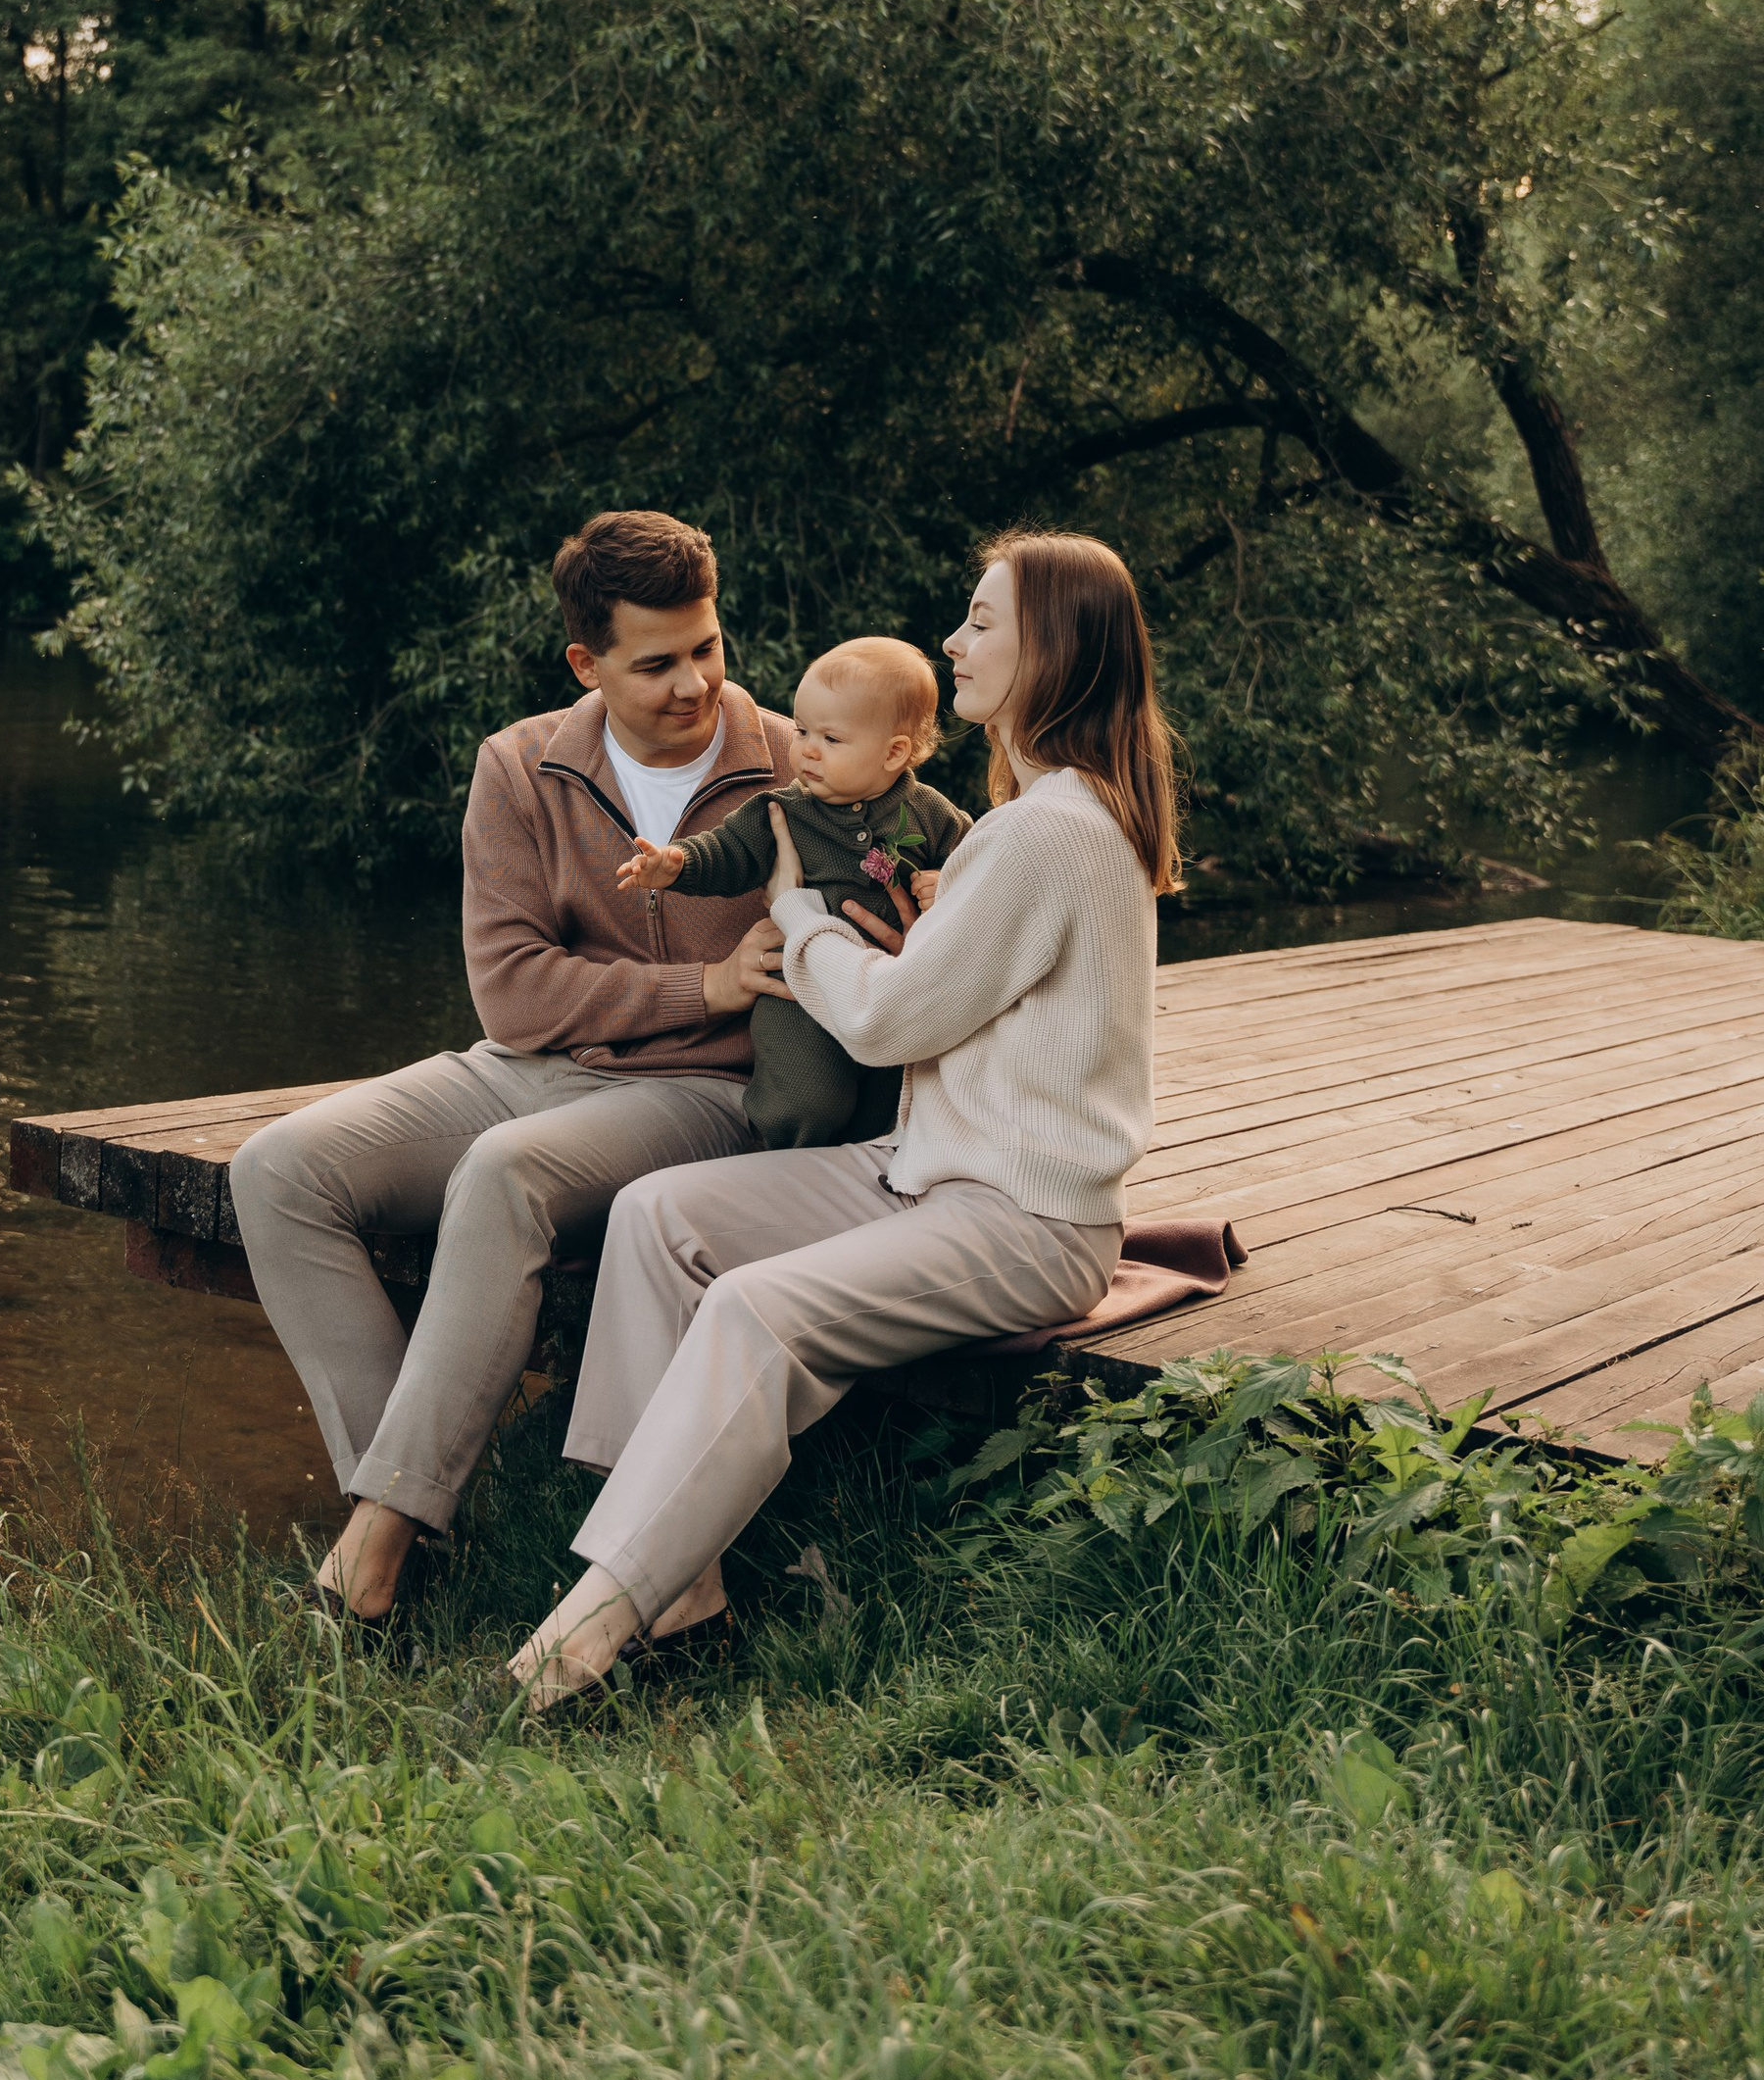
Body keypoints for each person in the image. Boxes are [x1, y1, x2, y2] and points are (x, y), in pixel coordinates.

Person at [510, 529, 1179, 1713]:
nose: (952, 642)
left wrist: (792, 909)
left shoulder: (1050, 832)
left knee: (755, 1307)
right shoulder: (1023, 822)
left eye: (980, 622)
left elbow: (879, 1025)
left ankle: (575, 1642)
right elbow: (936, 991)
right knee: (659, 1214)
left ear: (1055, 649)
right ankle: (683, 1598)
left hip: (1023, 1217)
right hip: (921, 1167)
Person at [232, 508, 799, 1623]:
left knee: (505, 1171)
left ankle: (374, 1558)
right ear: (586, 663)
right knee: (279, 1168)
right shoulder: (520, 764)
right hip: (524, 1062)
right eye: (656, 664)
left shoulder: (794, 767)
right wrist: (704, 984)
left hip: (705, 1093)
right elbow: (514, 992)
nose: (693, 684)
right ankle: (406, 1506)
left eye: (708, 647)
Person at [615, 637, 970, 1150]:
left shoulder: (931, 814)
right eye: (802, 730)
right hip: (799, 993)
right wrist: (677, 863)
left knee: (891, 1097)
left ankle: (873, 1169)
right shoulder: (782, 810)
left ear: (894, 752)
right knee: (806, 1098)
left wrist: (948, 886)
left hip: (892, 994)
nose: (805, 748)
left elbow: (981, 871)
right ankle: (779, 1155)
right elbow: (729, 851)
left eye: (830, 738)